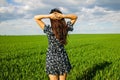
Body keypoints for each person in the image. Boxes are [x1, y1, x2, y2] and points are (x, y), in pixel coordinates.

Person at [34, 8, 77, 80]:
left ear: (51, 20)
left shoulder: (48, 29)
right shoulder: (65, 28)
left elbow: (36, 18)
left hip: (51, 58)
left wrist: (49, 16)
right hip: (62, 57)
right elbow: (75, 17)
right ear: (61, 19)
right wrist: (63, 16)